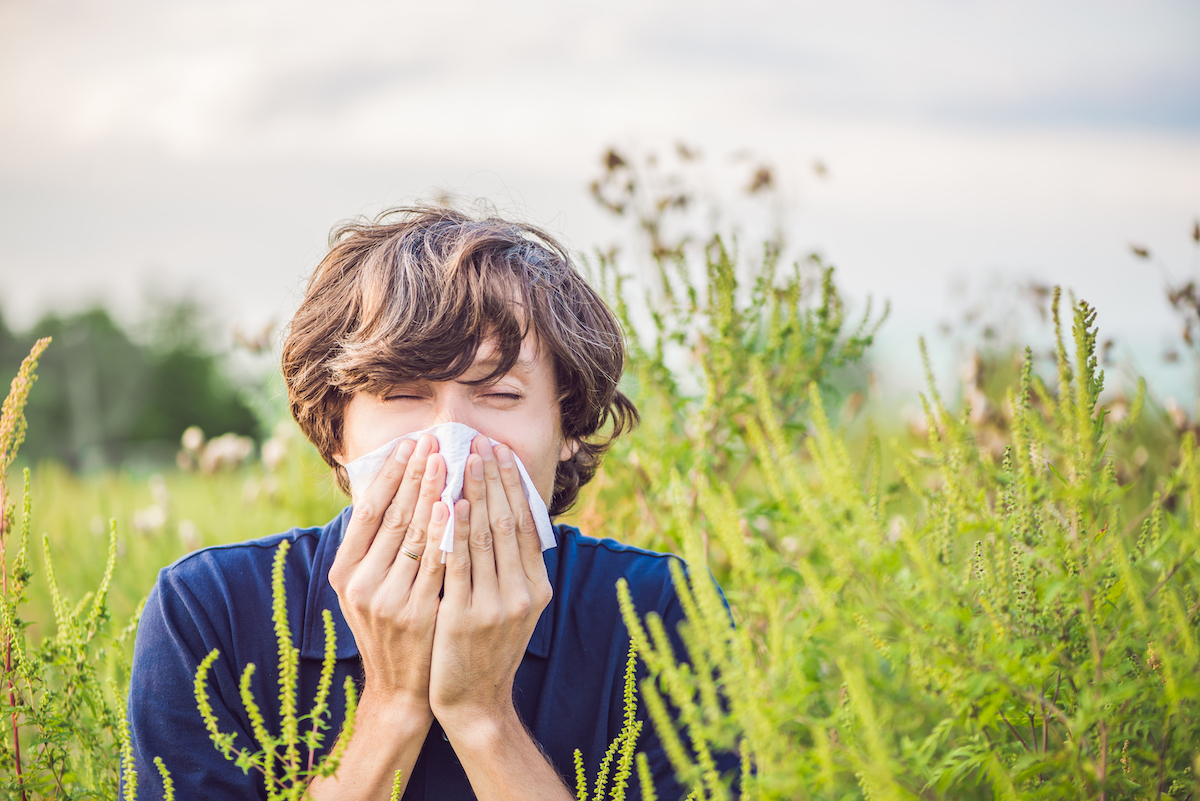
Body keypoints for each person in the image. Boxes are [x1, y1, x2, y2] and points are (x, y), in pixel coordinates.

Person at [126, 206, 730, 800]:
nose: (449, 439)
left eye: (499, 393)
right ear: (336, 431)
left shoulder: (660, 614)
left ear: (568, 425)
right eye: (402, 393)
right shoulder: (211, 612)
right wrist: (393, 704)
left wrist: (482, 717)